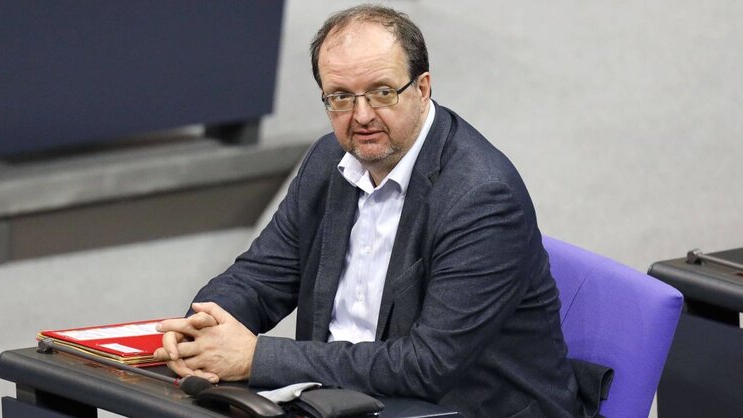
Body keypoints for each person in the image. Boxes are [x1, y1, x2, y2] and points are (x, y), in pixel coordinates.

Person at [154, 5, 599, 417]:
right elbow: (262, 274)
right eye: (341, 97)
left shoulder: (481, 197)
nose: (361, 115)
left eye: (382, 92)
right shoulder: (330, 161)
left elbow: (428, 365)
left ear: (422, 89)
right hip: (343, 399)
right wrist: (206, 326)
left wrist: (255, 358)